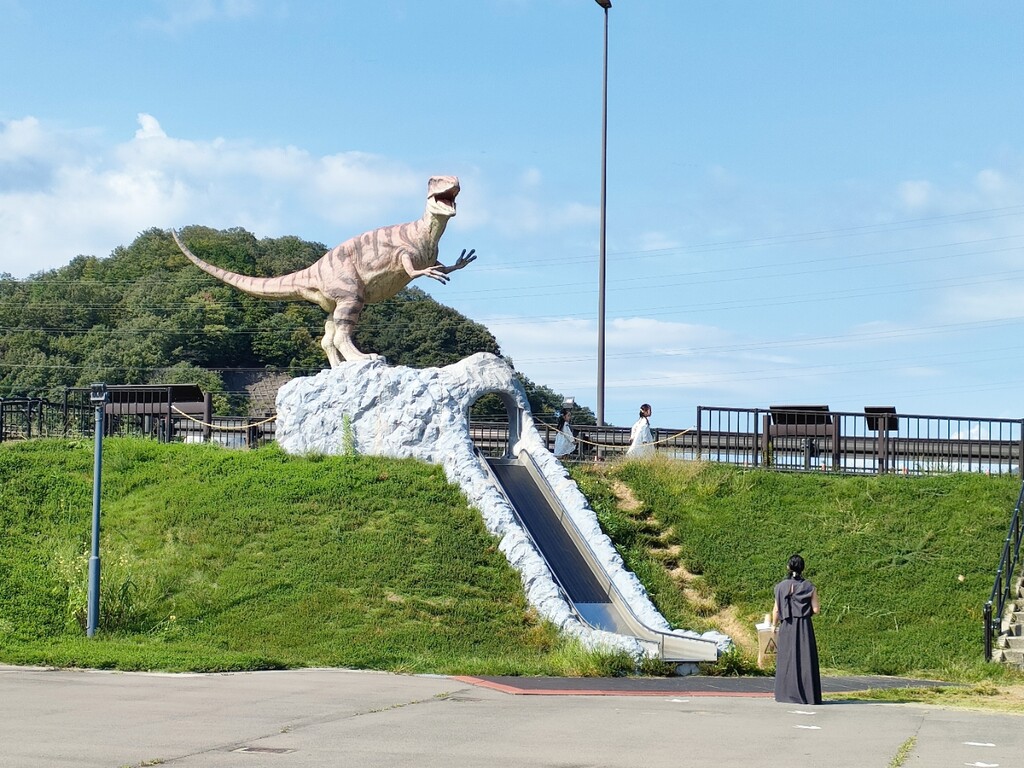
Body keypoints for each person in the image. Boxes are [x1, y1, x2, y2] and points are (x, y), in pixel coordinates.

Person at [772, 553, 822, 705]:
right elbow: (816, 609)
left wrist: (774, 625)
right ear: (802, 568)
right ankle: (808, 695)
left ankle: (786, 693)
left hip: (787, 625)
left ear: (788, 567)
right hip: (804, 626)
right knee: (805, 659)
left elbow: (776, 610)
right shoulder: (809, 586)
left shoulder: (780, 587)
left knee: (787, 659)